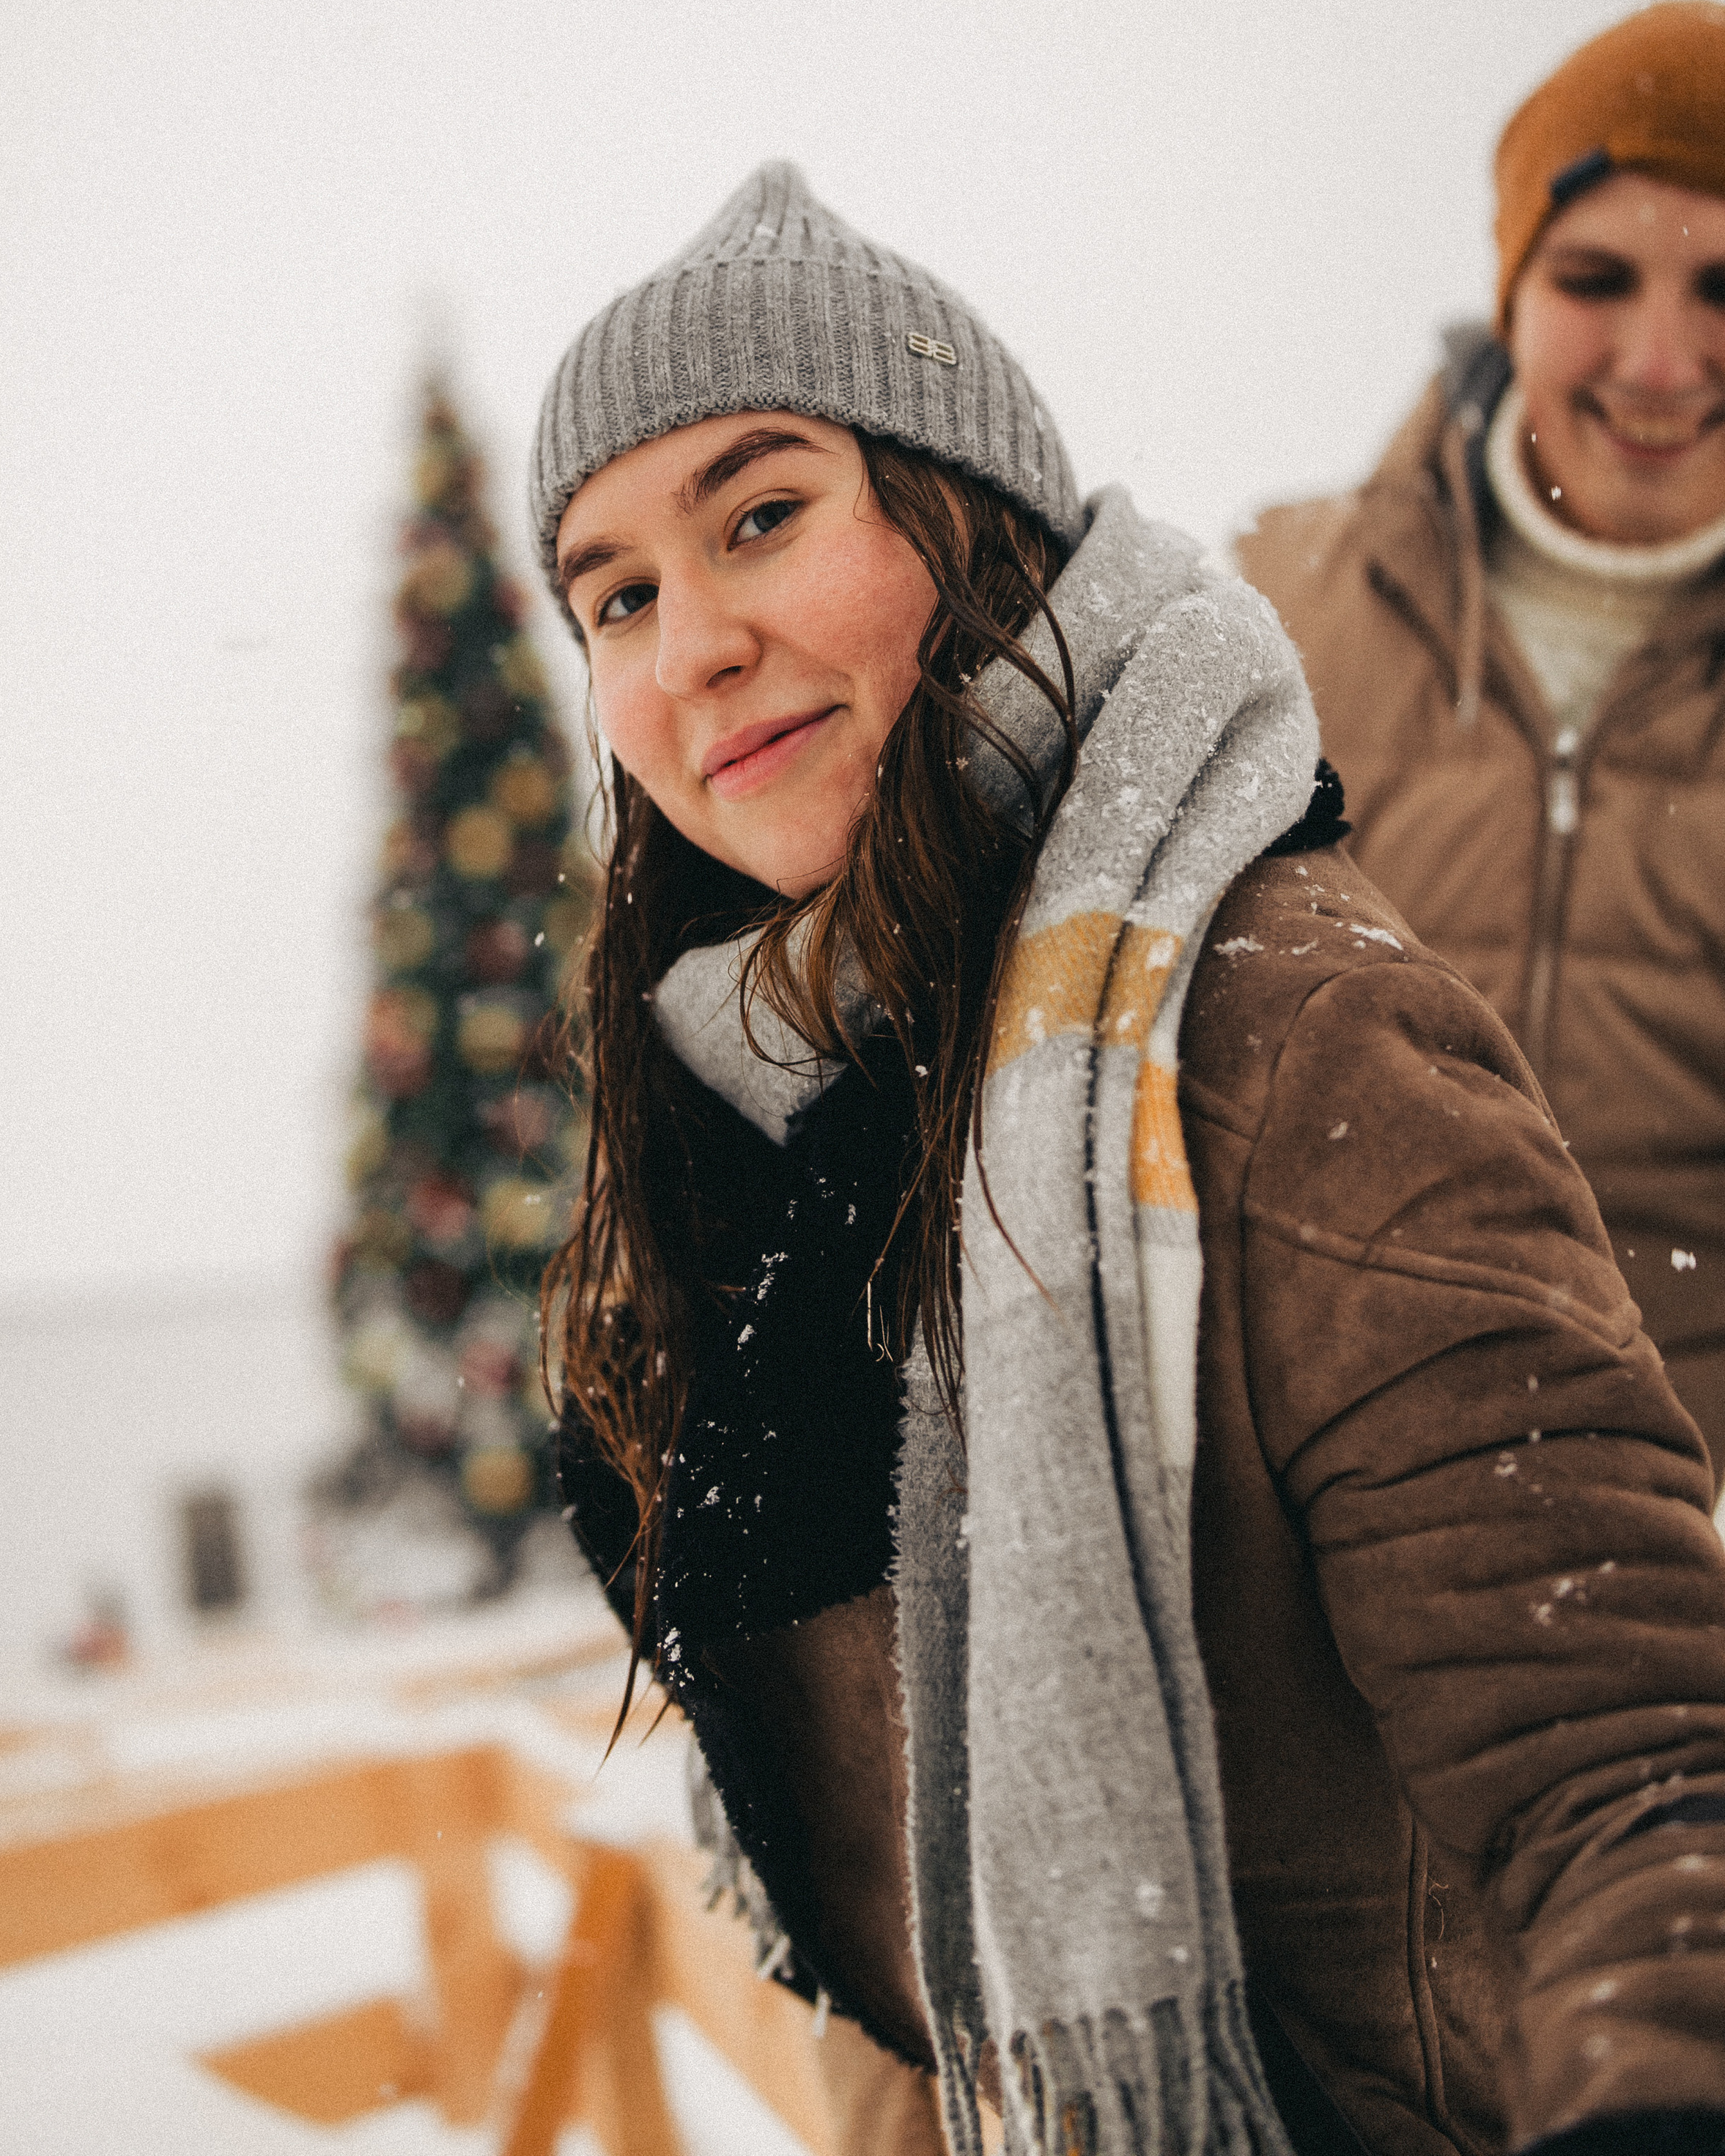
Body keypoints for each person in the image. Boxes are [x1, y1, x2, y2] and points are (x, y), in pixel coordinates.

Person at [531, 160, 1725, 2156]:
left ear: (964, 522)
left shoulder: (1287, 1034)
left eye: (763, 516)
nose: (695, 644)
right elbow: (912, 1955)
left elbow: (1633, 1777)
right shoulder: (754, 1141)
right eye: (617, 595)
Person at [1239, 1, 1725, 1468]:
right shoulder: (1273, 611)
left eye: (1721, 286)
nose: (1659, 359)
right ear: (1509, 287)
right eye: (1592, 277)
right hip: (1325, 1507)